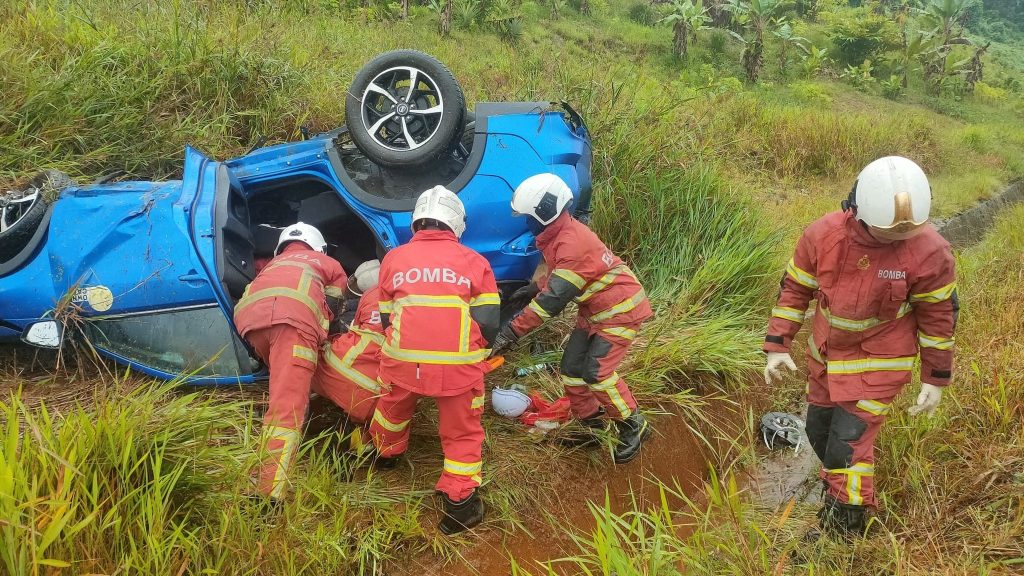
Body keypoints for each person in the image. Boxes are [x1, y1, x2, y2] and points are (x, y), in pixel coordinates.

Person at [762, 156, 957, 538]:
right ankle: (840, 489)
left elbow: (938, 319)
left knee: (846, 447)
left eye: (907, 232)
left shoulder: (931, 252)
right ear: (860, 210)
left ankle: (845, 528)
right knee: (819, 432)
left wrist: (935, 378)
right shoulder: (824, 236)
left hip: (881, 365)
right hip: (827, 361)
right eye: (889, 233)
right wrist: (777, 344)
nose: (899, 240)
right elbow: (795, 289)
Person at [490, 173, 654, 464]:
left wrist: (509, 333)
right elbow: (561, 277)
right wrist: (533, 289)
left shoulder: (571, 243)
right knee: (571, 370)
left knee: (597, 374)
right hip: (595, 313)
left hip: (620, 312)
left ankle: (633, 424)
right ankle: (591, 427)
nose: (526, 223)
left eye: (528, 217)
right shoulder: (560, 236)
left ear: (544, 213)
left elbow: (551, 302)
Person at [368, 185, 500, 535]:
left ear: (417, 222)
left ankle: (385, 456)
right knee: (461, 431)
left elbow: (387, 319)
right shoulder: (475, 262)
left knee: (392, 408)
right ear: (456, 224)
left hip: (401, 361)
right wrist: (476, 356)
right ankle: (460, 506)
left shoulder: (393, 259)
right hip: (456, 368)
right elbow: (488, 322)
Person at [233, 223, 348, 502]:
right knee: (286, 408)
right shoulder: (328, 264)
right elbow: (333, 309)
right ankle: (268, 493)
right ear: (318, 247)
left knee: (283, 382)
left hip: (250, 324)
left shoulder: (271, 265)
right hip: (292, 324)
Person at [311, 259, 384, 453]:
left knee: (307, 362)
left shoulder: (366, 301)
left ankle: (310, 420)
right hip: (382, 398)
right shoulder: (408, 304)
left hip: (342, 377)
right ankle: (362, 437)